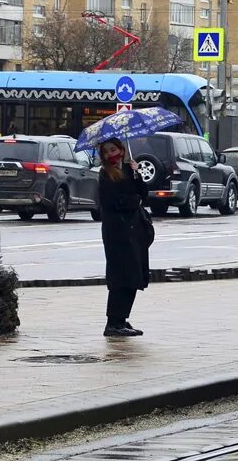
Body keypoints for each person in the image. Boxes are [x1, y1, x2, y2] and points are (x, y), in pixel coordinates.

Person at [98, 137, 149, 337]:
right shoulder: (105, 174)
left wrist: (137, 174)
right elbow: (111, 202)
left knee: (133, 277)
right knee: (121, 276)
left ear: (121, 149)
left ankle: (122, 318)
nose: (111, 154)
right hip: (117, 232)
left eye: (113, 150)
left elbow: (143, 193)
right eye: (106, 152)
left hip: (133, 231)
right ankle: (113, 322)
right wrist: (133, 200)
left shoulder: (129, 169)